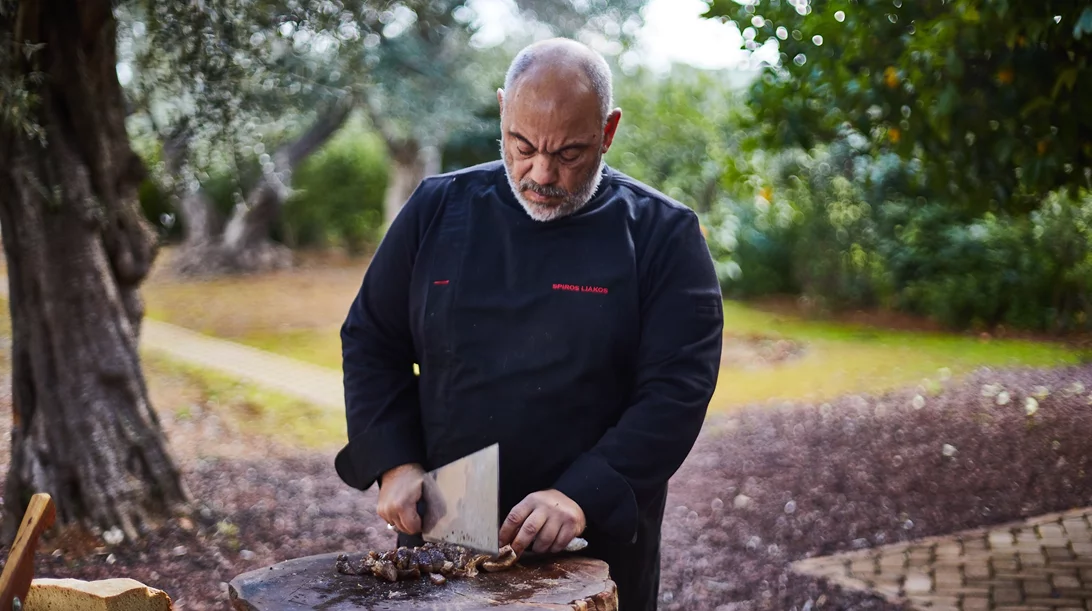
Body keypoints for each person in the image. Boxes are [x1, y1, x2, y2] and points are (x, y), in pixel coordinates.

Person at [334, 37, 723, 610]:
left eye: (569, 153)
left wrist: (581, 493)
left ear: (608, 131)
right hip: (450, 511)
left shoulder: (662, 233)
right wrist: (394, 462)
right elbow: (372, 339)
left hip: (589, 528)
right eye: (522, 145)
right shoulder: (438, 208)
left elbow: (677, 389)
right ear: (502, 112)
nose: (541, 173)